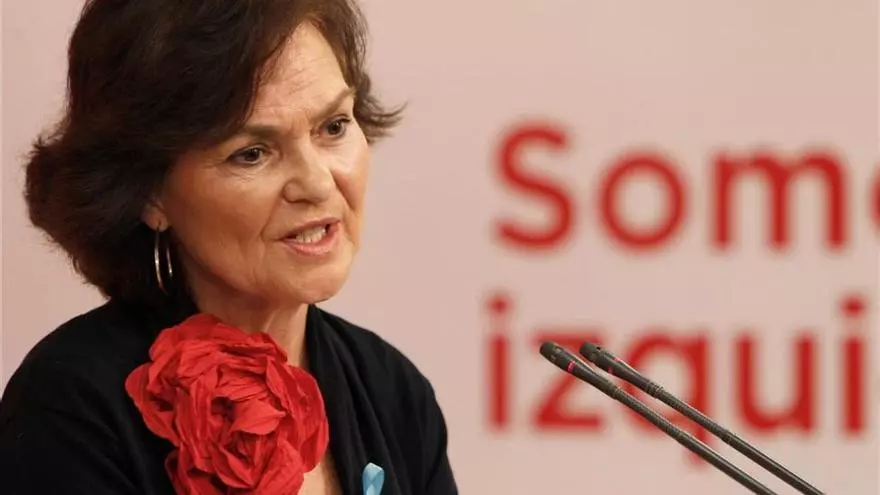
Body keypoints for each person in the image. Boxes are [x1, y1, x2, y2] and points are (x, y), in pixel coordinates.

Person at [0, 0, 458, 493]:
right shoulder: (73, 411)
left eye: (334, 127)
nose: (317, 184)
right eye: (252, 153)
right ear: (149, 192)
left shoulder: (392, 392)